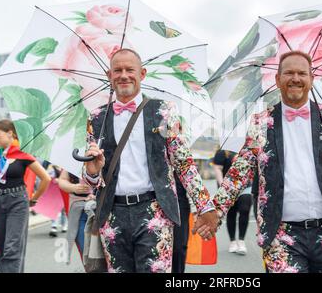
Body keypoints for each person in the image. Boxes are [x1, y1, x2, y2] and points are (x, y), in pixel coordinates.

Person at [196, 51, 322, 273]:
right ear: (277, 79)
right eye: (289, 72)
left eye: (301, 73)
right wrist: (215, 212)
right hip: (280, 234)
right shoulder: (261, 122)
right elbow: (239, 173)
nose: (295, 78)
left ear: (311, 79)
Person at [83, 48, 217, 273]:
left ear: (142, 74)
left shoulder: (163, 111)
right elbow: (90, 181)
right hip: (111, 214)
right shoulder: (96, 118)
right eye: (118, 70)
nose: (124, 75)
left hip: (154, 210)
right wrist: (92, 171)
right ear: (109, 76)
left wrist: (206, 206)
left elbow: (183, 164)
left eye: (129, 70)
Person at [0, 119, 51, 272]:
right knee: (0, 247)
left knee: (12, 248)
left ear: (10, 133)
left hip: (17, 202)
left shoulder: (23, 155)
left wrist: (34, 198)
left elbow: (45, 178)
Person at [213, 149, 252, 255]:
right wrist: (223, 186)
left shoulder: (247, 150)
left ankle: (241, 241)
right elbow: (217, 168)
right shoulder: (222, 152)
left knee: (245, 210)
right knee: (232, 213)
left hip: (245, 186)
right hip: (228, 187)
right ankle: (233, 242)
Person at [57, 169, 95, 264]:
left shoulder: (104, 156)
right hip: (79, 211)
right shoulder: (73, 159)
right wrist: (73, 187)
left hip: (101, 210)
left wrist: (96, 194)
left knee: (106, 250)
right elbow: (62, 180)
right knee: (85, 250)